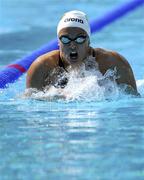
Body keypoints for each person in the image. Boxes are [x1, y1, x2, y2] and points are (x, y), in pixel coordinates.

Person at [26, 10, 139, 96]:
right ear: (58, 42)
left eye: (80, 38)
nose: (72, 45)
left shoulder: (112, 62)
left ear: (89, 40)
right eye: (65, 39)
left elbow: (132, 101)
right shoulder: (42, 67)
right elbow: (29, 104)